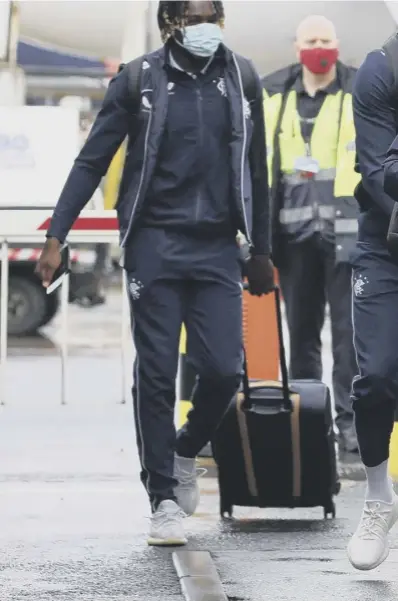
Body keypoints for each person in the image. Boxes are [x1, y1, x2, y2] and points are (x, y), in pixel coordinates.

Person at [35, 0, 274, 546]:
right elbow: (91, 159)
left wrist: (261, 248)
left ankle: (185, 448)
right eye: (194, 18)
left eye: (213, 15)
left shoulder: (242, 77)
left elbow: (257, 168)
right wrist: (58, 234)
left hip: (216, 247)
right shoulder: (139, 80)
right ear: (169, 24)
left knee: (222, 370)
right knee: (159, 370)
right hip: (155, 245)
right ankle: (162, 497)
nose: (206, 27)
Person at [262, 15, 360, 455]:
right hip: (294, 238)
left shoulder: (357, 91)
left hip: (347, 239)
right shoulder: (275, 95)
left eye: (325, 40)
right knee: (301, 337)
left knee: (349, 338)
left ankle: (351, 428)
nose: (318, 47)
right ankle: (309, 424)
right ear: (297, 46)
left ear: (338, 44)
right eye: (311, 41)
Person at [347, 38, 398, 571]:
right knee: (378, 374)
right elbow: (379, 168)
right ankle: (379, 498)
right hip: (385, 245)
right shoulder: (381, 70)